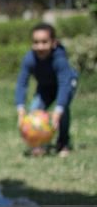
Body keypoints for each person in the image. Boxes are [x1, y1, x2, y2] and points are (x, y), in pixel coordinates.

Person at [15, 23, 79, 156]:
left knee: (63, 111)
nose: (40, 46)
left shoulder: (59, 59)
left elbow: (63, 84)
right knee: (34, 109)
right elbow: (22, 83)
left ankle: (63, 143)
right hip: (45, 87)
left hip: (67, 84)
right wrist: (20, 108)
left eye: (44, 42)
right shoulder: (29, 59)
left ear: (54, 43)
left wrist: (58, 110)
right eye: (36, 42)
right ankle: (38, 143)